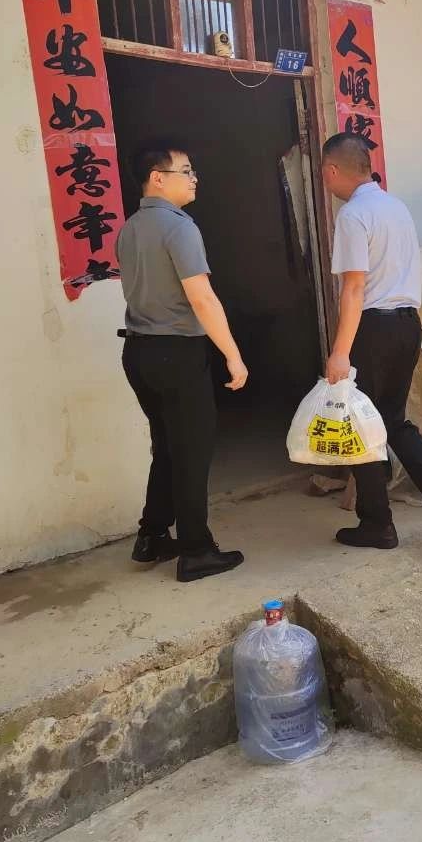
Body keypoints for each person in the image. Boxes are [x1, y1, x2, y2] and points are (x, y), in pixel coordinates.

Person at [320, 133, 422, 549]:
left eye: (324, 174)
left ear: (333, 170)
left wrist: (340, 352)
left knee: (360, 426)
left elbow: (354, 288)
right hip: (407, 326)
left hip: (374, 330)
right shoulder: (395, 207)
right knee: (392, 420)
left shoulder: (353, 215)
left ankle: (378, 525)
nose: (325, 182)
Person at [117, 141, 248, 582]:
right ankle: (196, 550)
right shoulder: (179, 227)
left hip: (139, 353)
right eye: (186, 171)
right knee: (191, 451)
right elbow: (202, 298)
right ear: (158, 178)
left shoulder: (130, 228)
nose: (195, 179)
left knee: (168, 447)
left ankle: (152, 536)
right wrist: (233, 355)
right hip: (176, 353)